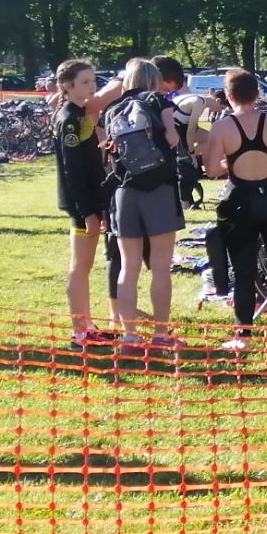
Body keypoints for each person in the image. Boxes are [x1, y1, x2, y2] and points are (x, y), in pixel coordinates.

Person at [202, 69, 267, 349]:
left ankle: (243, 335)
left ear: (228, 95)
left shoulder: (223, 127)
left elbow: (211, 169)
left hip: (239, 202)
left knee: (243, 270)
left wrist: (233, 162)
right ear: (257, 94)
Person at [104, 58, 185, 348]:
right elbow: (172, 138)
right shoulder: (158, 100)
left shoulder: (111, 108)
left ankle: (129, 335)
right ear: (154, 79)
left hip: (124, 191)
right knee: (161, 267)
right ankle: (161, 335)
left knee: (128, 267)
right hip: (159, 188)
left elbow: (107, 151)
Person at [51, 60, 126, 347]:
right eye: (85, 82)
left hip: (91, 200)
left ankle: (87, 326)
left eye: (94, 81)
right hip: (80, 204)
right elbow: (73, 170)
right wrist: (87, 211)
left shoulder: (81, 114)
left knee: (85, 264)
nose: (92, 86)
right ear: (67, 85)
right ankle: (81, 331)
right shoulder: (70, 119)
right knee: (80, 266)